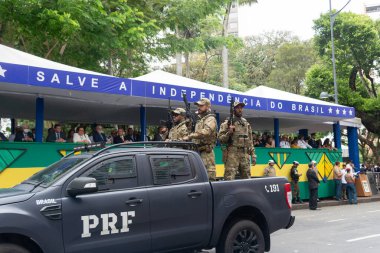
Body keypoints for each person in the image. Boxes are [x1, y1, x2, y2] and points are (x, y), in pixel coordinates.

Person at [218, 101, 256, 180]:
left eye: (241, 108)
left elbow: (250, 140)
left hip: (245, 154)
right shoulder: (227, 123)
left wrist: (253, 154)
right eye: (238, 108)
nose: (240, 110)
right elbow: (220, 139)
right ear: (233, 109)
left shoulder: (245, 123)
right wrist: (229, 132)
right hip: (232, 153)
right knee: (229, 177)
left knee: (247, 178)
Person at [183, 98, 217, 181]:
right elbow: (190, 131)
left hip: (206, 153)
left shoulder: (210, 119)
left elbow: (205, 132)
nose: (199, 107)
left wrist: (190, 136)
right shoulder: (199, 120)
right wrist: (188, 122)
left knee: (209, 177)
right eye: (198, 105)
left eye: (201, 105)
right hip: (197, 151)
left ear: (208, 106)